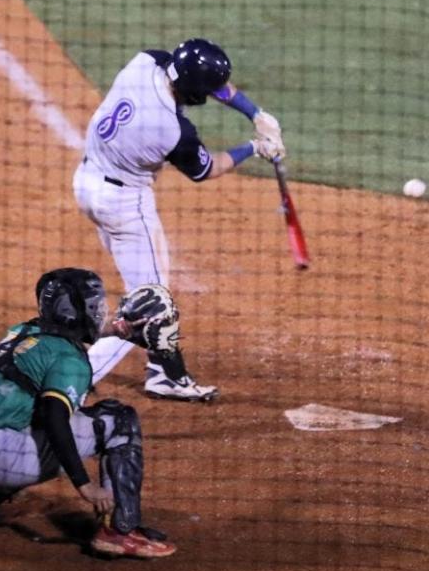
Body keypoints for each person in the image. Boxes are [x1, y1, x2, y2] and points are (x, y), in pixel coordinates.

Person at [73, 37, 287, 401]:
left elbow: (210, 84)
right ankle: (75, 374)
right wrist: (254, 147)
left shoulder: (146, 63)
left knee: (145, 288)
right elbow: (205, 170)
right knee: (151, 306)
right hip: (125, 206)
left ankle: (164, 372)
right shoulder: (172, 130)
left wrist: (255, 113)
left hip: (87, 183)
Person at [0, 268, 177, 559]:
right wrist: (85, 486)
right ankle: (120, 531)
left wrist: (120, 328)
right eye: (95, 305)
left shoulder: (22, 332)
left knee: (32, 409)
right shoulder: (69, 358)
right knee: (117, 419)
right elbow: (54, 420)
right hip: (3, 462)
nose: (101, 311)